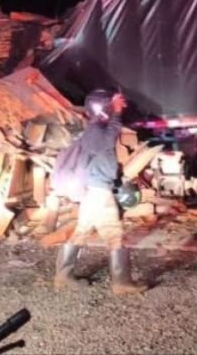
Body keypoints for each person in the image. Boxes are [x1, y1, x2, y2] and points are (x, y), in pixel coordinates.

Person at [54, 89, 147, 295]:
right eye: (111, 106)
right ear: (102, 108)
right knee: (114, 233)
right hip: (98, 191)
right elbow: (108, 137)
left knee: (82, 231)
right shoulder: (96, 130)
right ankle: (121, 283)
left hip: (95, 189)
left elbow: (109, 135)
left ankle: (63, 276)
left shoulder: (97, 127)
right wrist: (114, 111)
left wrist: (113, 111)